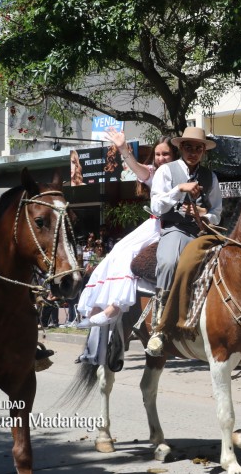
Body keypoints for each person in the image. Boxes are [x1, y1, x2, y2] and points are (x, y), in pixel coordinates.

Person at [76, 132, 177, 328]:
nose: (161, 158)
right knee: (116, 251)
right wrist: (123, 149)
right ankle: (96, 308)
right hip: (154, 223)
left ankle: (116, 307)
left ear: (174, 155)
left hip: (171, 226)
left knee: (129, 253)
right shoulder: (154, 173)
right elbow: (138, 169)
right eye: (157, 154)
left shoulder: (182, 172)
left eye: (166, 154)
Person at [145, 127, 221, 356]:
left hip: (203, 232)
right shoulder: (166, 171)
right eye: (188, 147)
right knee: (169, 262)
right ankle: (159, 326)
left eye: (199, 148)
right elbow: (157, 206)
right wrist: (179, 189)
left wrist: (204, 213)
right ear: (180, 148)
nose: (193, 152)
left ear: (203, 151)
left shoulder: (210, 176)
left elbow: (218, 211)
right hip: (175, 229)